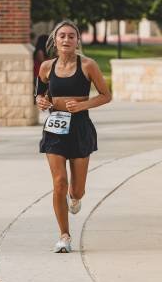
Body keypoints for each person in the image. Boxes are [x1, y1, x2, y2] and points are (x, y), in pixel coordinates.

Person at [35, 20, 111, 253]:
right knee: (59, 182)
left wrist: (82, 105)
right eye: (62, 36)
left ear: (77, 40)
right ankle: (64, 236)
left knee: (76, 190)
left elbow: (105, 95)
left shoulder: (88, 65)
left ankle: (75, 197)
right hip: (55, 128)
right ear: (55, 40)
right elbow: (39, 94)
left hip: (79, 128)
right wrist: (41, 101)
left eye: (71, 36)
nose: (66, 39)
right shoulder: (46, 67)